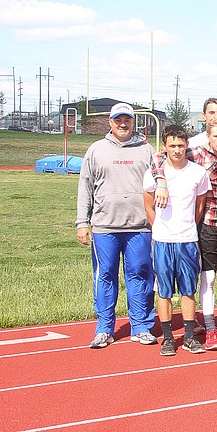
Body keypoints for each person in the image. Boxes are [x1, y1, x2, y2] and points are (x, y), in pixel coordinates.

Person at [76, 103, 156, 349]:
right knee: (105, 276)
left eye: (127, 120)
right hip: (105, 227)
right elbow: (85, 188)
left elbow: (159, 185)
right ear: (110, 122)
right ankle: (104, 328)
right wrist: (82, 222)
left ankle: (141, 327)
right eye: (118, 120)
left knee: (140, 276)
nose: (123, 124)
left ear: (133, 123)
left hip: (140, 227)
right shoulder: (96, 150)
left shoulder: (146, 150)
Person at [142, 125, 211, 356]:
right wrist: (160, 227)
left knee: (188, 290)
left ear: (187, 146)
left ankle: (190, 337)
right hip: (162, 240)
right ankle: (169, 338)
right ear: (165, 146)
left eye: (181, 145)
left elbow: (200, 206)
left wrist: (187, 226)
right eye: (172, 145)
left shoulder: (198, 173)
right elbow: (148, 205)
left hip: (188, 240)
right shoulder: (154, 174)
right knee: (164, 291)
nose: (177, 150)